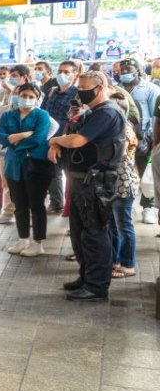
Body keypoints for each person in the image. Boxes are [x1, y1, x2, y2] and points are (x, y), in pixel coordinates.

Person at [49, 71, 126, 303]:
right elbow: (70, 133)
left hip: (96, 182)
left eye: (84, 87)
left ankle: (96, 286)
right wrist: (59, 143)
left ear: (100, 87)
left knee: (94, 234)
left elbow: (76, 140)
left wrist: (54, 141)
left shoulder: (108, 112)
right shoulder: (92, 112)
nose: (80, 91)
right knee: (81, 234)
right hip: (82, 180)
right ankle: (86, 278)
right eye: (79, 86)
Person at [0, 84, 54, 257]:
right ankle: (23, 239)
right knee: (19, 205)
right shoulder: (8, 115)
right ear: (17, 96)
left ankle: (38, 243)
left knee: (36, 205)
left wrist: (13, 141)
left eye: (31, 96)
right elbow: (0, 137)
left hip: (36, 165)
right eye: (24, 95)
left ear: (37, 99)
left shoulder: (42, 115)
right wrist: (23, 135)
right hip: (13, 167)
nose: (27, 99)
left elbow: (38, 138)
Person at [116, 58, 157, 223]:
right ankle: (126, 204)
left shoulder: (150, 89)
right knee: (126, 173)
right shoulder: (115, 88)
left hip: (143, 138)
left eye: (128, 69)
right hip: (120, 138)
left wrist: (155, 139)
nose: (124, 72)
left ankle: (148, 207)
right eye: (122, 69)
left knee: (145, 174)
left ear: (138, 70)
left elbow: (155, 116)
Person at [0, 66, 29, 225]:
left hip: (25, 153)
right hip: (4, 153)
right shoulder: (5, 110)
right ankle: (7, 211)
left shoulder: (34, 112)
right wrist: (3, 136)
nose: (17, 97)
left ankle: (27, 214)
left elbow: (50, 127)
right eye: (15, 94)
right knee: (7, 181)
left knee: (26, 183)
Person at [106, 92, 139, 279]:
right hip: (113, 182)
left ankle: (128, 264)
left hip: (124, 182)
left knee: (124, 225)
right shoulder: (115, 127)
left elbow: (118, 152)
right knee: (113, 224)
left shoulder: (124, 128)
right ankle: (115, 260)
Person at [43, 61, 80, 213]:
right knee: (53, 173)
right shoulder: (52, 92)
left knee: (70, 175)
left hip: (68, 140)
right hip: (49, 139)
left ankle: (72, 207)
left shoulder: (77, 94)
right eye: (60, 71)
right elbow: (43, 113)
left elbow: (75, 119)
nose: (62, 74)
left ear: (74, 75)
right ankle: (56, 203)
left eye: (66, 72)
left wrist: (59, 141)